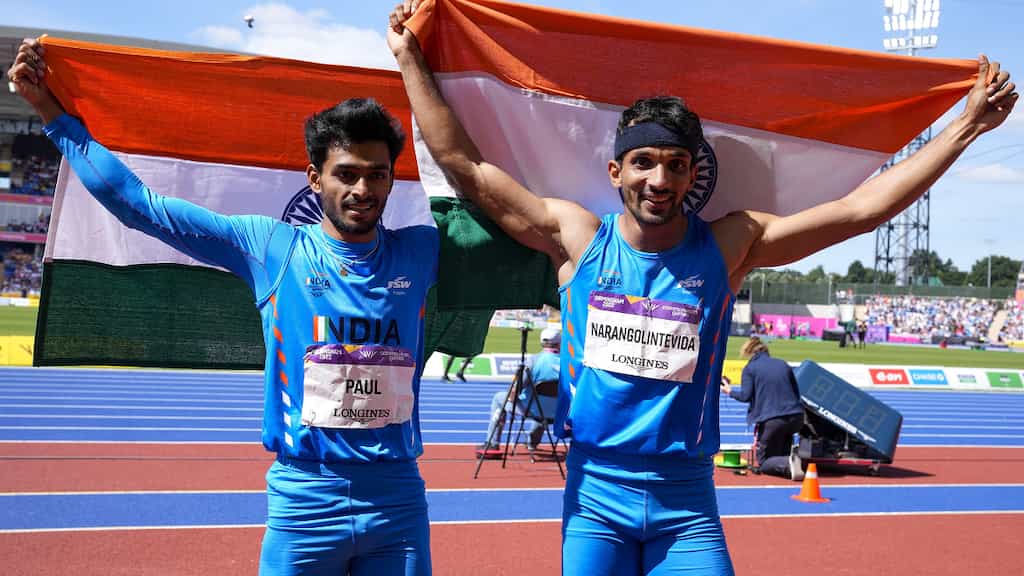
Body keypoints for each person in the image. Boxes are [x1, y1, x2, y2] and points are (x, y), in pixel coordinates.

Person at [388, 3, 1017, 574]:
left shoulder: (728, 244)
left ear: (694, 174)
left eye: (675, 164)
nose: (659, 179)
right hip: (594, 497)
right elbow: (466, 167)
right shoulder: (576, 238)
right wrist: (410, 58)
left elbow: (859, 210)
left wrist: (963, 130)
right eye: (644, 162)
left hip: (686, 503)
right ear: (616, 171)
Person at [10, 38, 439, 575]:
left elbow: (484, 191)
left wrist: (417, 62)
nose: (362, 188)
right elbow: (143, 209)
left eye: (377, 174)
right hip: (306, 502)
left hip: (396, 500)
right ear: (315, 179)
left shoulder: (422, 250)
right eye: (346, 173)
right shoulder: (272, 248)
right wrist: (52, 113)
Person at [720, 337, 805, 480]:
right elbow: (796, 393)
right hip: (796, 418)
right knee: (779, 452)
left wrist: (729, 391)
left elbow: (745, 396)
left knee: (764, 461)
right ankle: (789, 462)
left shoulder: (750, 368)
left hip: (773, 420)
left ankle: (788, 462)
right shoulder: (782, 364)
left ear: (750, 353)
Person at [480, 327, 561, 452]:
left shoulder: (534, 360)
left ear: (541, 342)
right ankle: (532, 443)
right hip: (558, 413)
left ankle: (492, 443)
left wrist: (513, 395)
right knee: (544, 402)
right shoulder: (568, 363)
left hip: (533, 410)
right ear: (559, 342)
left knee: (499, 398)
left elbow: (516, 389)